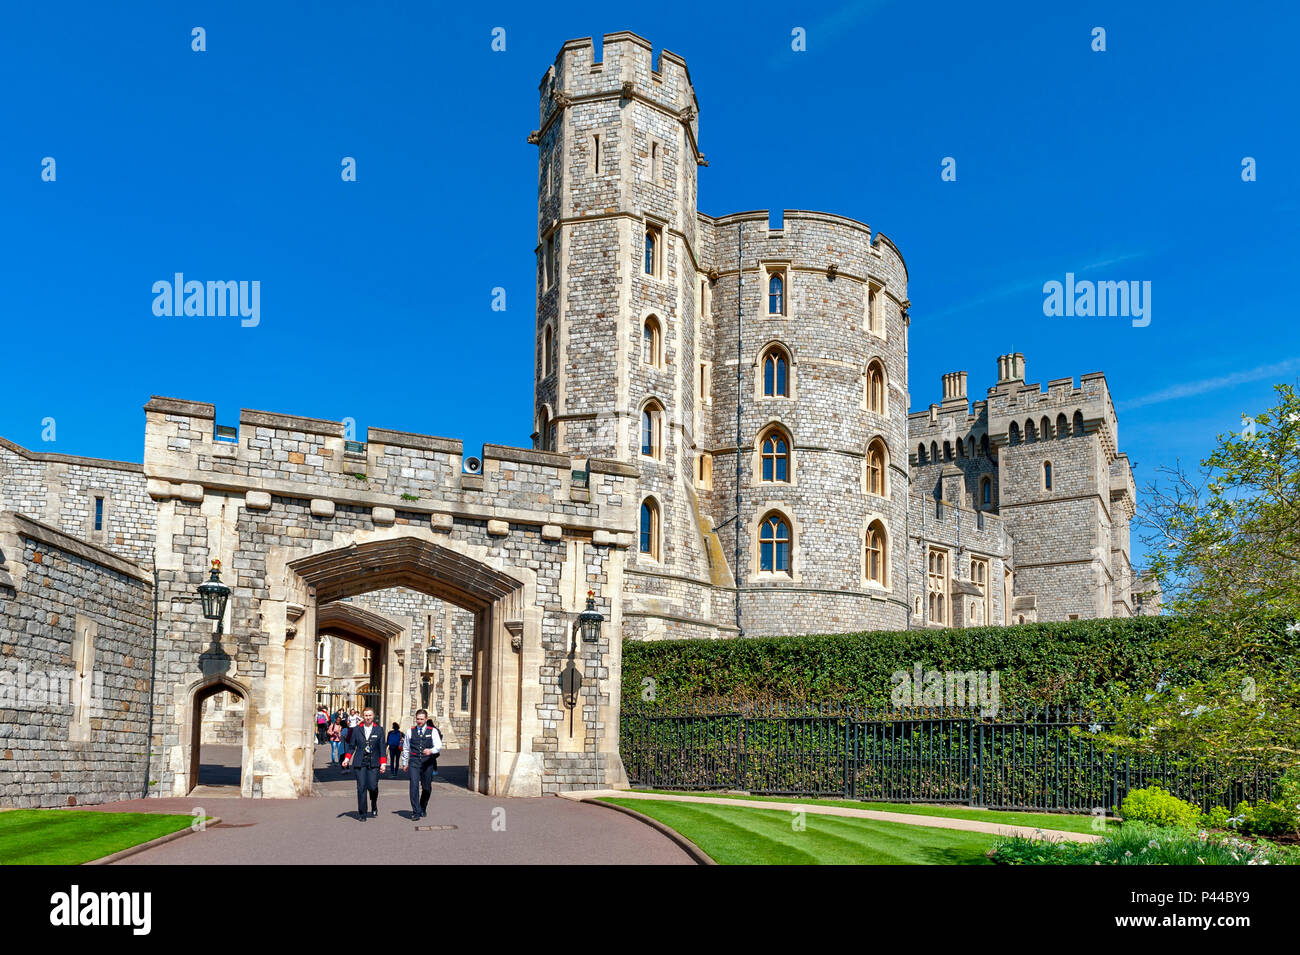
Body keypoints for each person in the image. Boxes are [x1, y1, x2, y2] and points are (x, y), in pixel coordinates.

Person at [340, 707, 387, 821]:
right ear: (362, 716)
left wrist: (383, 764)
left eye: (370, 715)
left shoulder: (379, 730)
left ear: (373, 716)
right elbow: (352, 747)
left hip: (374, 762)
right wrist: (347, 759)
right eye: (366, 715)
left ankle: (374, 803)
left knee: (373, 787)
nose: (368, 718)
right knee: (361, 788)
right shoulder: (356, 730)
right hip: (360, 762)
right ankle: (363, 813)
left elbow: (382, 748)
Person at [401, 709, 442, 819]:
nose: (419, 721)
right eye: (417, 719)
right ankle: (416, 811)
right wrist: (404, 762)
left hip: (427, 762)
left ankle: (423, 806)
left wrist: (431, 751)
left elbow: (438, 746)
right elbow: (406, 748)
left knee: (426, 787)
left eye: (421, 719)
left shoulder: (432, 731)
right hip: (414, 761)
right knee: (413, 786)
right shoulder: (410, 731)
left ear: (426, 719)